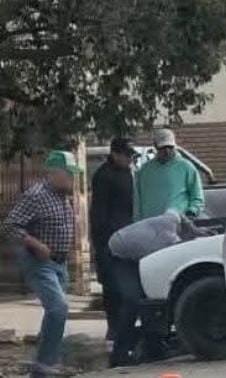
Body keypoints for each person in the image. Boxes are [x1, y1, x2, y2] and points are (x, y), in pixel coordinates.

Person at [0, 151, 82, 378]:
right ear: (54, 173)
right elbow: (9, 226)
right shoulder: (36, 196)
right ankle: (46, 363)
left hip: (60, 264)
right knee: (58, 307)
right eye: (68, 174)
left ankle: (44, 367)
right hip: (39, 262)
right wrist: (34, 243)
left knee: (55, 313)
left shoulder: (63, 195)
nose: (72, 179)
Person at [107, 209, 210, 367]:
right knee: (132, 301)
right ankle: (119, 355)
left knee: (150, 299)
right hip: (120, 255)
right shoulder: (169, 243)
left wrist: (196, 231)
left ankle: (153, 347)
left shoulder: (172, 220)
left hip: (138, 251)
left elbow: (175, 211)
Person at [89, 137, 137, 341]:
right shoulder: (104, 175)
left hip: (128, 237)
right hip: (109, 239)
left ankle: (126, 327)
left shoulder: (128, 173)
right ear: (115, 154)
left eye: (131, 155)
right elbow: (99, 212)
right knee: (112, 286)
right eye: (126, 155)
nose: (130, 159)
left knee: (128, 284)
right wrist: (100, 244)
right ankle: (114, 327)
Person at [134, 129, 204, 221]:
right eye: (163, 148)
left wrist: (191, 212)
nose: (167, 151)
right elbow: (137, 201)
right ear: (155, 146)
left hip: (177, 225)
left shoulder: (187, 168)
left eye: (170, 147)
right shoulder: (144, 171)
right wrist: (137, 221)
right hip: (150, 226)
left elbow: (197, 197)